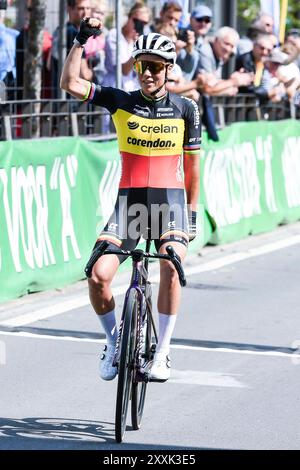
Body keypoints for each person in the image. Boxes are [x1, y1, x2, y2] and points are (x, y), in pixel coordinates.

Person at [60, 18, 201, 382]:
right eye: (141, 66)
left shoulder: (186, 109)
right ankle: (112, 342)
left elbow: (193, 167)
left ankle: (164, 352)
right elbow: (71, 83)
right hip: (130, 209)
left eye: (154, 67)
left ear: (169, 70)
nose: (147, 74)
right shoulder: (121, 100)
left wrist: (192, 213)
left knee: (171, 265)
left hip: (170, 207)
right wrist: (81, 39)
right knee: (97, 276)